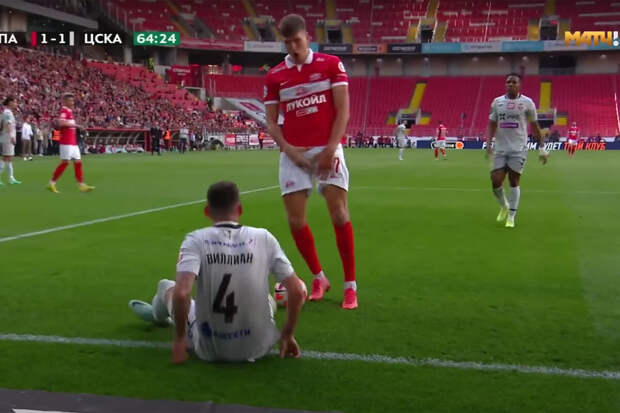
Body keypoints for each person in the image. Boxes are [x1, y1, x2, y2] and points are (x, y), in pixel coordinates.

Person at [129, 181, 305, 363]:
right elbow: (298, 291)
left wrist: (180, 339)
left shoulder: (195, 240)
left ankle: (158, 316)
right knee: (266, 299)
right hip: (258, 346)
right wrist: (287, 334)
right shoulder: (264, 237)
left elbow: (182, 294)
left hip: (210, 347)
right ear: (240, 209)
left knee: (166, 286)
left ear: (207, 211)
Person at [264, 14, 358, 309]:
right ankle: (319, 278)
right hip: (294, 153)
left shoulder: (331, 64)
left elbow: (343, 111)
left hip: (327, 148)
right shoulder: (275, 76)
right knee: (295, 221)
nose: (293, 47)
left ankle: (350, 286)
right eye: (288, 42)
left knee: (339, 214)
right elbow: (271, 123)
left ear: (307, 37)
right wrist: (288, 150)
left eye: (297, 41)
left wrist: (330, 149)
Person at [485, 73, 549, 228]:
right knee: (495, 180)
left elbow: (534, 126)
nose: (510, 84)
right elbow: (492, 124)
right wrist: (488, 143)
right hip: (500, 148)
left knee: (514, 181)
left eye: (514, 82)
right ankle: (504, 206)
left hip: (518, 149)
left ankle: (511, 217)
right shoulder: (497, 102)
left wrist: (542, 148)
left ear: (519, 85)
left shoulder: (527, 103)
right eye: (508, 82)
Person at [47, 93, 95, 193]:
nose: (72, 102)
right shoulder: (64, 110)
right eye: (70, 100)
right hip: (66, 142)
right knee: (65, 162)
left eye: (73, 100)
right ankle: (52, 183)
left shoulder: (69, 111)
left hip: (72, 142)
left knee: (78, 162)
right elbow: (61, 123)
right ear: (65, 101)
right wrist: (77, 126)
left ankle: (81, 185)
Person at [0, 96, 21, 185]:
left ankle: (11, 178)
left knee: (9, 158)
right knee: (5, 157)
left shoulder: (6, 112)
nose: (16, 104)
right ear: (10, 102)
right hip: (7, 137)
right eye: (15, 102)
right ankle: (10, 178)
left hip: (6, 136)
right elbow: (8, 125)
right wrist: (12, 136)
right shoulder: (8, 113)